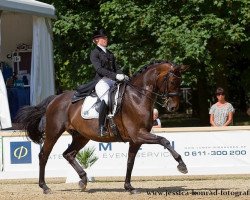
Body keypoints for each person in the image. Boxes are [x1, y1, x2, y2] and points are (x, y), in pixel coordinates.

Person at [73, 29, 128, 137]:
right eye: (103, 38)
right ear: (96, 40)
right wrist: (115, 76)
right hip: (102, 81)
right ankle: (101, 127)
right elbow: (99, 69)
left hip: (113, 81)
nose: (105, 39)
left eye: (106, 38)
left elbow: (117, 68)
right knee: (106, 99)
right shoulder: (94, 53)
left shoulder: (110, 53)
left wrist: (122, 75)